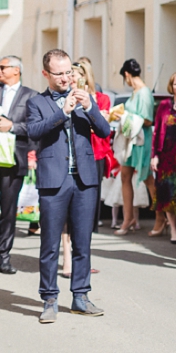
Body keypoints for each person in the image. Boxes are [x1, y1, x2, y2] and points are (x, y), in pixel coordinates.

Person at [27, 49, 111, 322]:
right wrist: (62, 112)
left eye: (68, 73)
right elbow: (34, 132)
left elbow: (105, 131)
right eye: (59, 74)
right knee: (50, 244)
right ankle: (49, 298)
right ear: (46, 74)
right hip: (54, 181)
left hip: (84, 179)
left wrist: (89, 107)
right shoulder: (36, 102)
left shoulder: (84, 98)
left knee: (83, 243)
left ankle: (81, 296)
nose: (65, 78)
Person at [0, 55, 37, 274]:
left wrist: (12, 125)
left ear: (16, 70)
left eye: (3, 67)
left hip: (13, 159)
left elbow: (34, 127)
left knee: (8, 209)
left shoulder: (30, 96)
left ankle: (3, 255)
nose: (0, 70)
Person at [112, 59, 155, 236]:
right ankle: (128, 218)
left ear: (127, 75)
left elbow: (147, 120)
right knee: (125, 176)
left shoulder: (144, 93)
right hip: (131, 140)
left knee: (148, 179)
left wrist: (126, 116)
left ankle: (162, 216)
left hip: (141, 140)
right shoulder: (136, 92)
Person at [150, 73, 176, 244]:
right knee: (169, 195)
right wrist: (155, 156)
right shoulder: (164, 106)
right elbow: (157, 132)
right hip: (167, 157)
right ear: (171, 87)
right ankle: (174, 231)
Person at [72, 61, 112, 235]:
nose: (69, 79)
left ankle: (89, 229)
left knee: (92, 192)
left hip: (97, 151)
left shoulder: (101, 99)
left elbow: (102, 127)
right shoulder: (69, 97)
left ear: (83, 77)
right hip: (75, 151)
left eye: (73, 75)